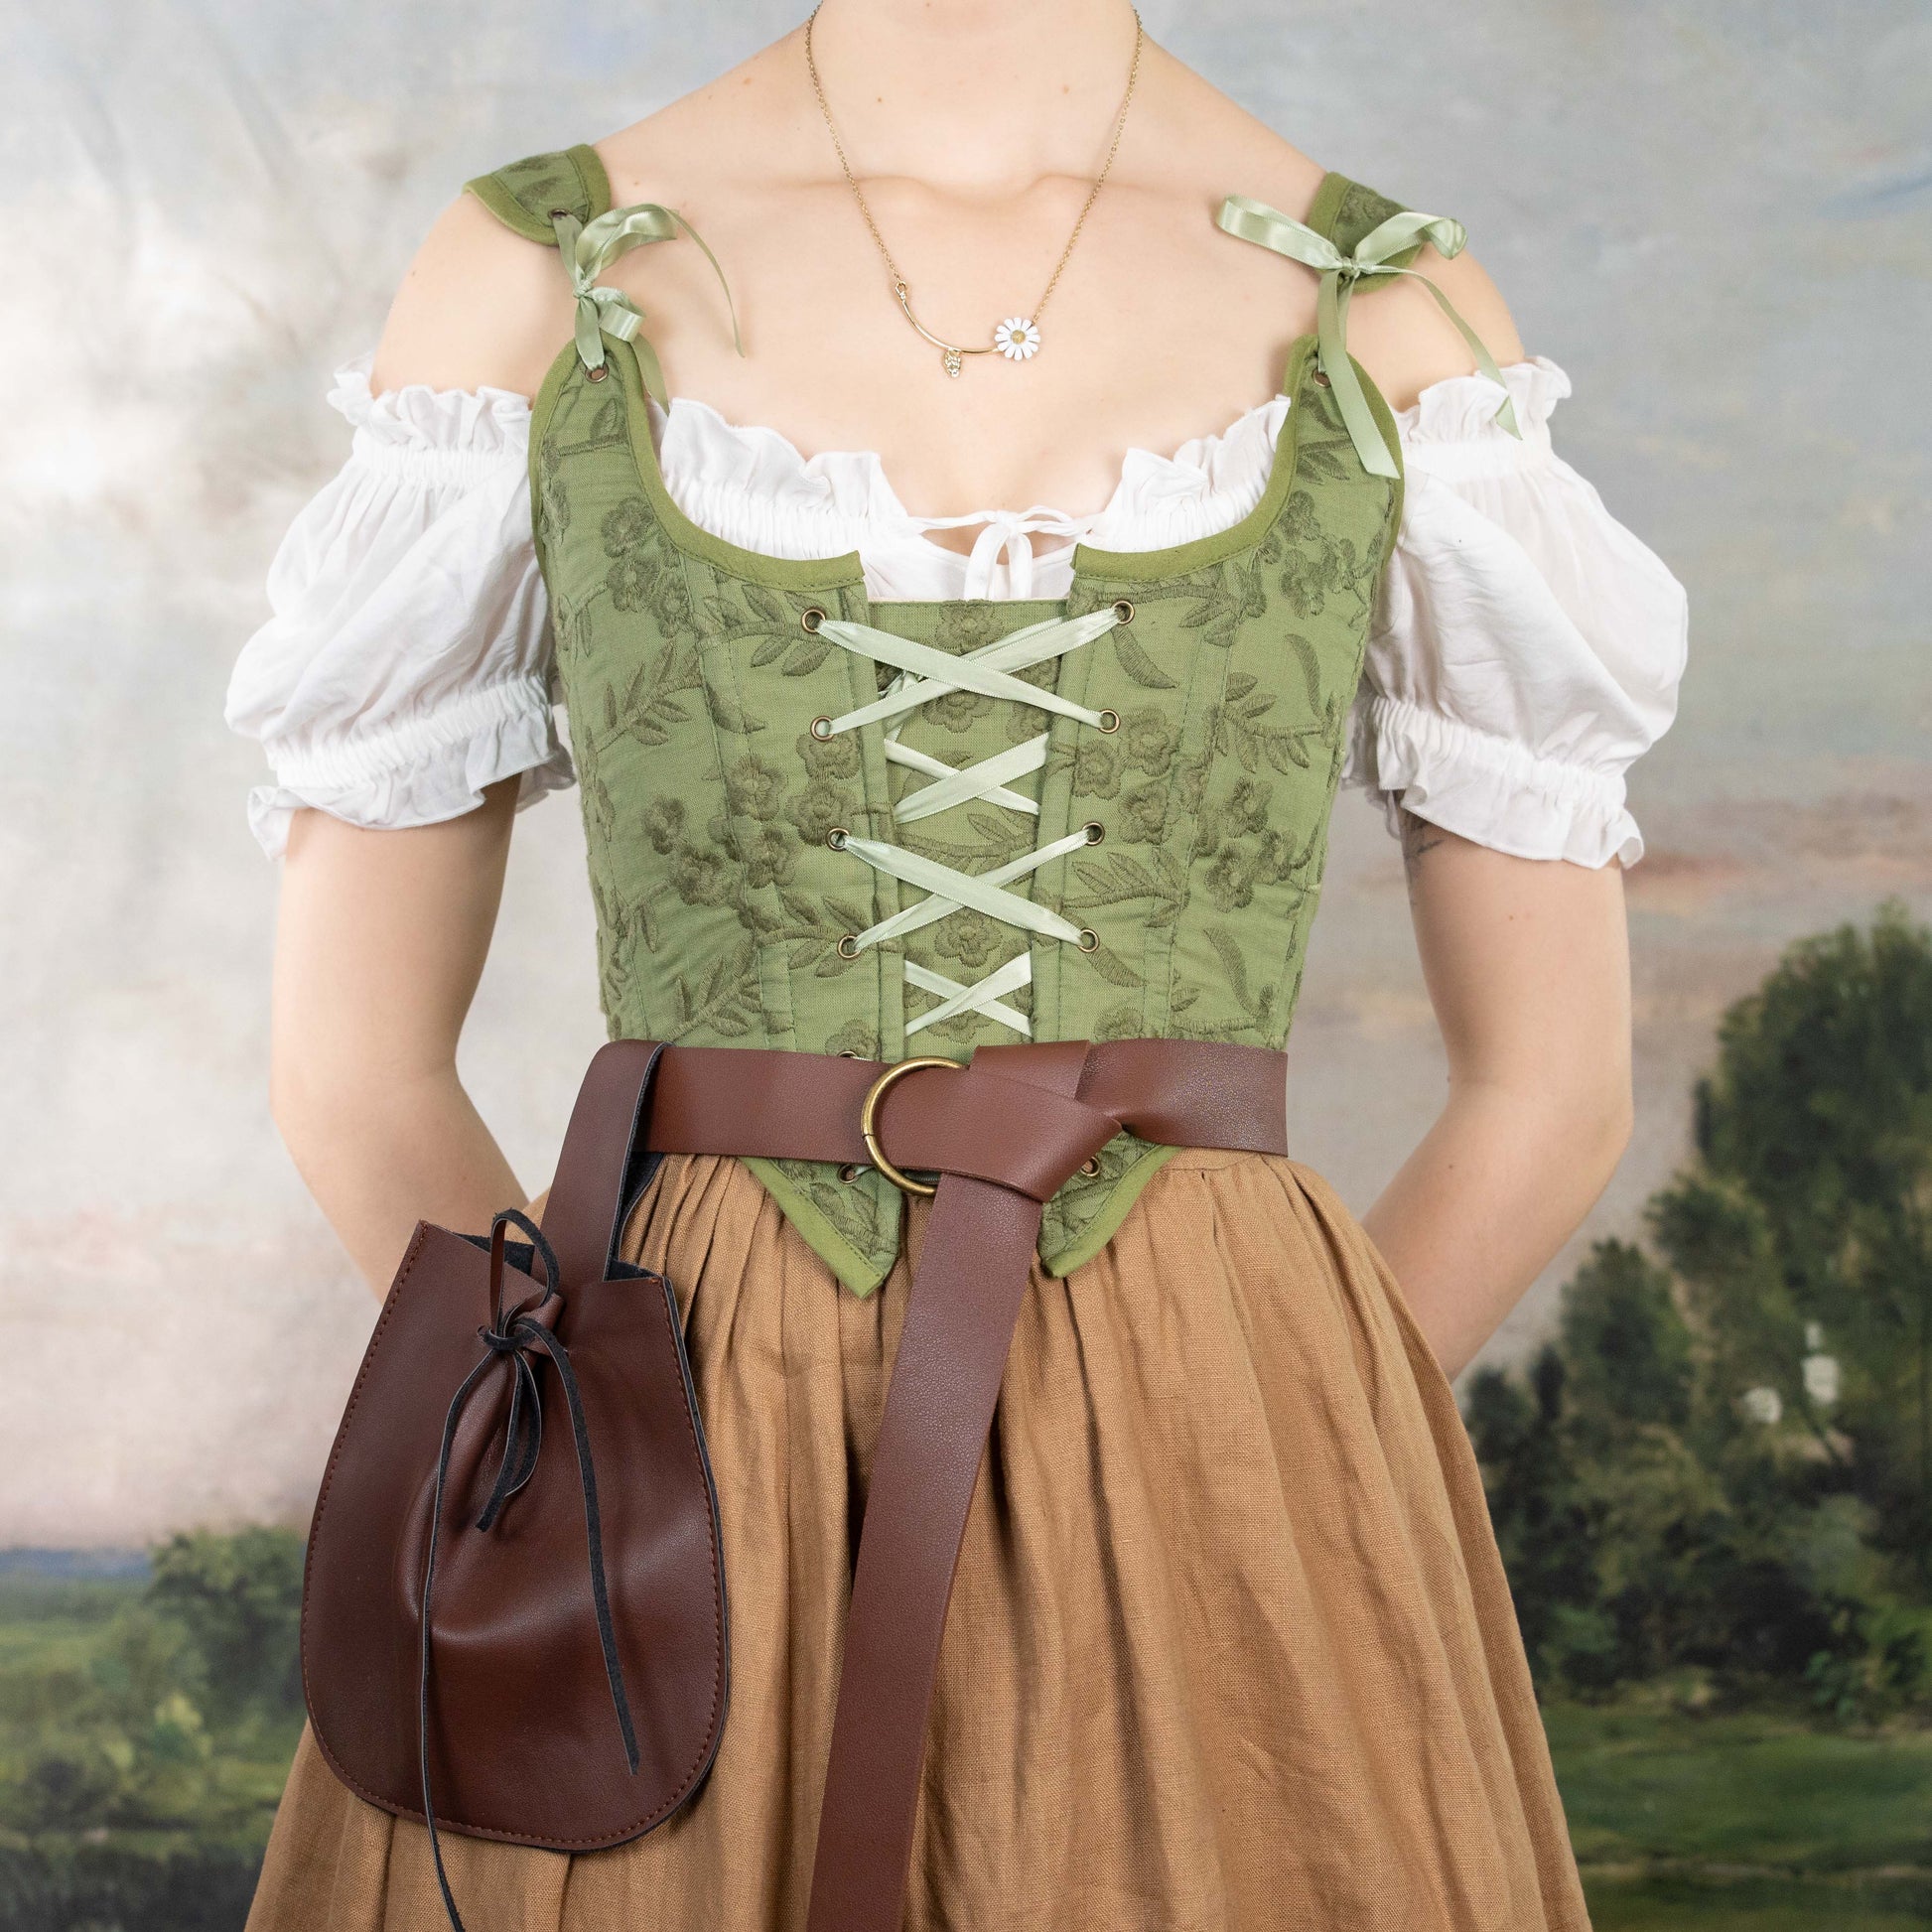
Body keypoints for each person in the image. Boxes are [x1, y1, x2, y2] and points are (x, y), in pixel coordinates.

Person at [227, 3, 1686, 1927]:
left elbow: (1545, 1092)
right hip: (683, 1385)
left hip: (1217, 1380)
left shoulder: (1386, 310)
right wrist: (568, 1470)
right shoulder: (543, 275)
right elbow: (358, 1070)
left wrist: (1258, 1453)